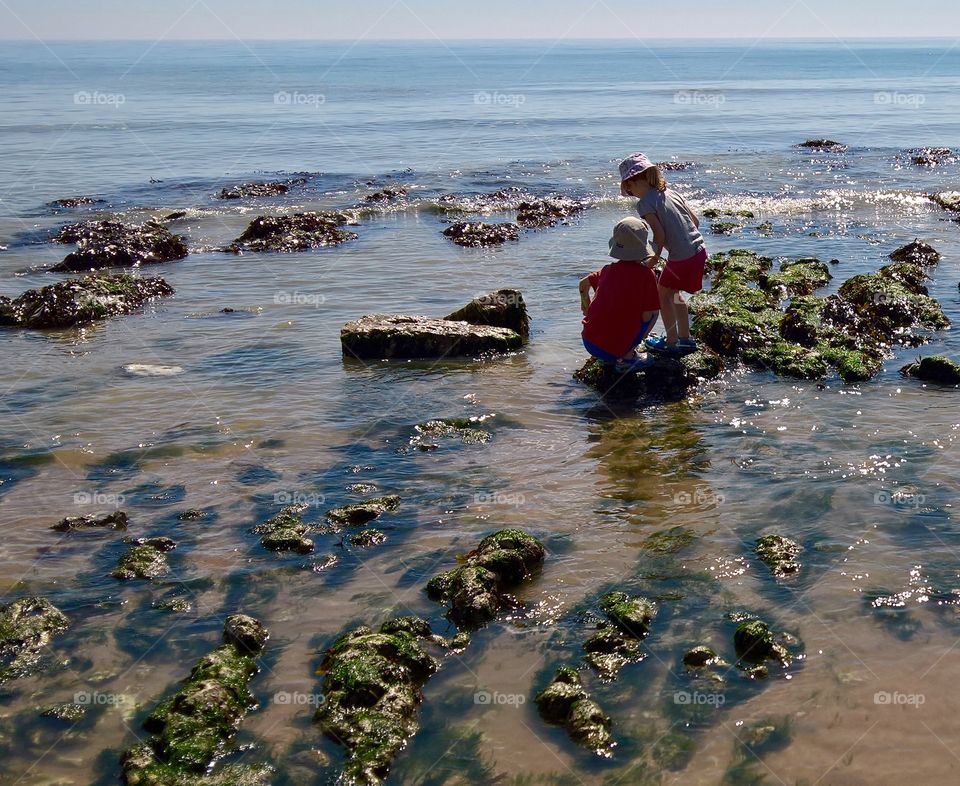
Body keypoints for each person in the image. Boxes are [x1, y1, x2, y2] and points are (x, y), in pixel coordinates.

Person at [619, 152, 707, 355]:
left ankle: (671, 341)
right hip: (699, 251)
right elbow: (695, 222)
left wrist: (655, 257)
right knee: (675, 294)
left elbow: (659, 233)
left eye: (629, 188)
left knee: (662, 295)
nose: (631, 193)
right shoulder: (672, 193)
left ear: (637, 180)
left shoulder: (645, 204)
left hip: (681, 258)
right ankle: (685, 339)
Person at [580, 217, 661, 373]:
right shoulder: (647, 275)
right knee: (654, 311)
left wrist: (586, 306)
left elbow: (583, 284)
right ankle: (627, 357)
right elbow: (647, 316)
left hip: (589, 341)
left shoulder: (606, 270)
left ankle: (615, 350)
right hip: (613, 350)